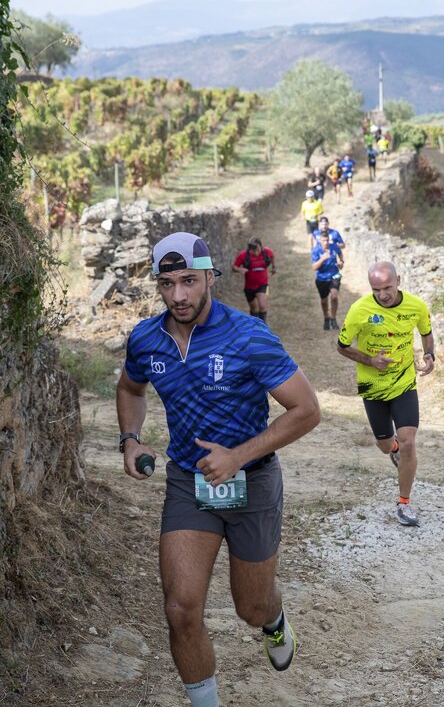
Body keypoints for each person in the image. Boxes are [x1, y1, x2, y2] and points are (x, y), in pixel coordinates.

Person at [116, 231, 321, 707]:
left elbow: (307, 410)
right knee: (180, 609)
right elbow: (130, 388)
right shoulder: (147, 338)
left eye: (189, 281)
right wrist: (130, 439)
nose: (178, 295)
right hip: (189, 482)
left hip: (253, 480)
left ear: (211, 277)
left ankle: (274, 619)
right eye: (167, 284)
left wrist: (237, 456)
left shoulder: (249, 336)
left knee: (251, 608)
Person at [336, 261, 435, 527]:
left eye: (387, 288)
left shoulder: (416, 306)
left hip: (404, 384)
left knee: (409, 441)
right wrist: (370, 360)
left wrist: (429, 354)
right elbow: (341, 346)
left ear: (398, 280)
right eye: (376, 289)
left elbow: (426, 333)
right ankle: (393, 449)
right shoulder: (359, 310)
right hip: (373, 387)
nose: (382, 295)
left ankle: (404, 503)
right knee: (385, 444)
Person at [232, 236, 275, 322]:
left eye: (258, 250)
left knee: (262, 305)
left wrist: (274, 267)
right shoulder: (243, 255)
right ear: (249, 249)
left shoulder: (267, 252)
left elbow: (272, 256)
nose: (256, 253)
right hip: (249, 287)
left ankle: (262, 325)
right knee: (254, 308)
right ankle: (255, 324)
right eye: (253, 251)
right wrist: (240, 270)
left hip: (263, 284)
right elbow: (234, 267)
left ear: (261, 246)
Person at [311, 230, 343, 330]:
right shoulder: (316, 251)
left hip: (334, 275)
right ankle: (326, 317)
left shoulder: (334, 247)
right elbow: (314, 267)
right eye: (323, 240)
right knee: (324, 300)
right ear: (320, 240)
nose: (326, 242)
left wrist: (341, 262)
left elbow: (340, 255)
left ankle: (333, 318)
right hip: (322, 278)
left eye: (327, 240)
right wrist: (323, 259)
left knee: (334, 296)